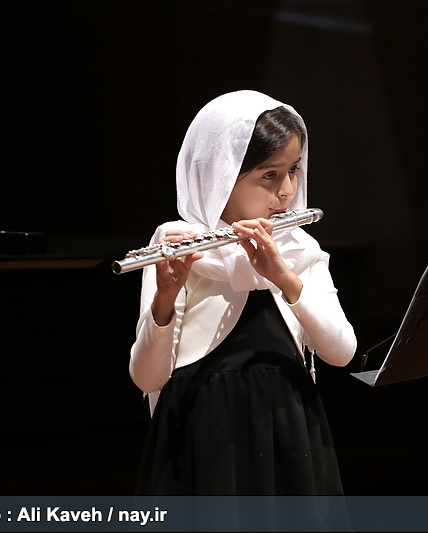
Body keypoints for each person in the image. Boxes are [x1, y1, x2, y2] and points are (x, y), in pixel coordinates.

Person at [129, 90, 357, 495]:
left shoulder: (298, 249)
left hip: (288, 432)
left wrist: (284, 278)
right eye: (270, 175)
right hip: (201, 436)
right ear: (221, 173)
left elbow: (341, 353)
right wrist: (164, 299)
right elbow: (147, 378)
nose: (287, 191)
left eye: (293, 170)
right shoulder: (178, 244)